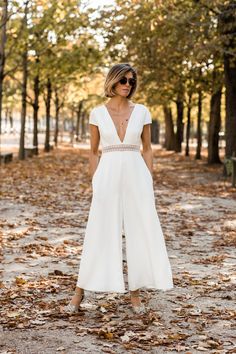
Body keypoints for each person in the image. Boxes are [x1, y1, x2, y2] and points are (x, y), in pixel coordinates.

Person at [63, 63, 174, 315]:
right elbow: (93, 151)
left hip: (137, 174)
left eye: (131, 81)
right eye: (123, 80)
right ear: (112, 81)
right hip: (107, 174)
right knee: (98, 230)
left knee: (138, 231)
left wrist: (149, 179)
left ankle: (135, 295)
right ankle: (79, 293)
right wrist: (95, 182)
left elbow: (147, 149)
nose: (127, 85)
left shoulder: (143, 111)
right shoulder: (97, 113)